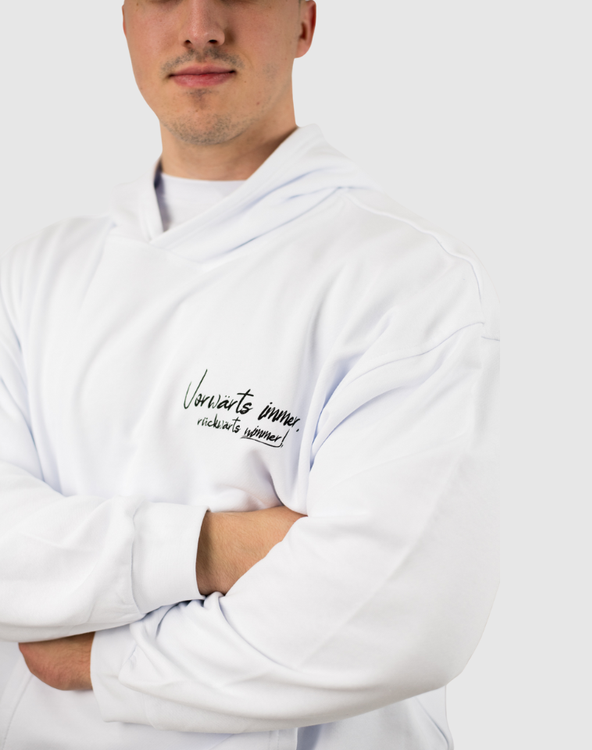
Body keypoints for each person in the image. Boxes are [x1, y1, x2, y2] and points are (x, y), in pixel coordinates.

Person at [0, 0, 499, 748]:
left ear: (304, 23)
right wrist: (213, 548)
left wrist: (100, 662)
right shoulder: (35, 274)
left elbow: (403, 615)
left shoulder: (409, 280)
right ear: (126, 21)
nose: (201, 24)